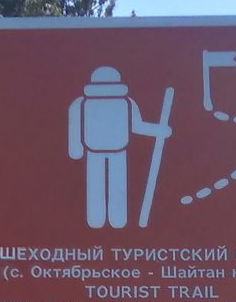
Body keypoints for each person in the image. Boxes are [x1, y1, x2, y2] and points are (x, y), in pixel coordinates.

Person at [67, 66, 170, 230]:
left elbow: (136, 125)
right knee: (98, 185)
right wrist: (75, 149)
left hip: (116, 151)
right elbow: (75, 125)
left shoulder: (126, 102)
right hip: (99, 151)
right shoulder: (83, 103)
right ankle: (100, 220)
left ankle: (116, 220)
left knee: (114, 186)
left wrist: (159, 130)